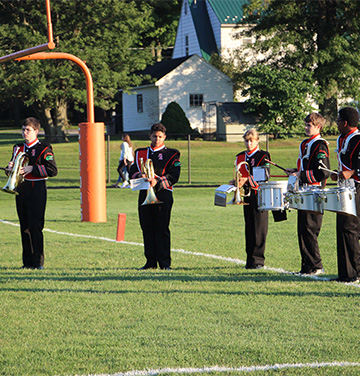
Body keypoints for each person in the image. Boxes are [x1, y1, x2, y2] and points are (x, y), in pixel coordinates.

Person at [4, 117, 57, 269]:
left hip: (37, 189)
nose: (24, 132)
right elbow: (13, 171)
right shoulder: (17, 148)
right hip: (21, 190)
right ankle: (27, 263)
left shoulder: (44, 148)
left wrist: (32, 168)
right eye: (23, 129)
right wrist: (10, 168)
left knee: (35, 226)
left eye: (28, 130)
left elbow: (52, 170)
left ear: (36, 131)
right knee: (24, 227)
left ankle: (38, 262)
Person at [130, 123, 181, 270]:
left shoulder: (172, 154)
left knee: (162, 228)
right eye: (154, 136)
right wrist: (139, 175)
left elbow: (174, 176)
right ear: (150, 136)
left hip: (163, 194)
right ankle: (150, 262)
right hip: (144, 193)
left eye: (160, 137)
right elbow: (133, 170)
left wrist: (157, 181)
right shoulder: (140, 153)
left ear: (164, 137)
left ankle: (165, 263)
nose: (157, 139)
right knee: (147, 227)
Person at [285, 113, 330, 276]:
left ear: (318, 127)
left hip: (315, 193)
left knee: (310, 230)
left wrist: (301, 176)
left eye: (309, 125)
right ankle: (306, 267)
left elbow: (322, 172)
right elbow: (305, 167)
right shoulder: (305, 144)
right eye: (305, 124)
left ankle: (316, 266)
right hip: (304, 193)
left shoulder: (320, 145)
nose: (305, 127)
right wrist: (296, 172)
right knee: (303, 230)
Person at [330, 107, 360, 283]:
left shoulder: (358, 139)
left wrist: (352, 172)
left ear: (345, 123)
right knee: (343, 229)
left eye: (338, 120)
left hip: (356, 188)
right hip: (345, 188)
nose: (337, 123)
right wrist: (339, 173)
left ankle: (352, 273)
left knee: (350, 230)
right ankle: (345, 272)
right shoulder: (342, 139)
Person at [233, 129, 270, 269]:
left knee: (259, 229)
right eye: (246, 141)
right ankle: (250, 259)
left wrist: (247, 179)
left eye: (251, 141)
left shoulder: (263, 155)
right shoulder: (240, 156)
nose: (248, 144)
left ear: (257, 141)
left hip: (259, 195)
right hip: (246, 195)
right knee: (249, 228)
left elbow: (264, 176)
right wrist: (235, 181)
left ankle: (258, 260)